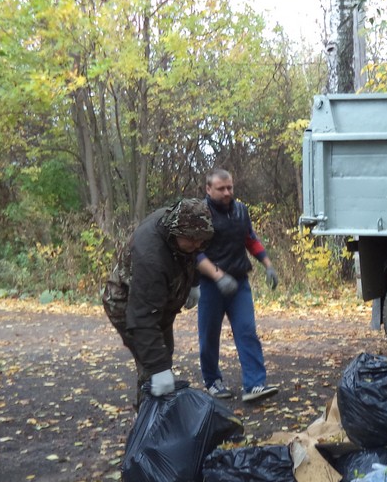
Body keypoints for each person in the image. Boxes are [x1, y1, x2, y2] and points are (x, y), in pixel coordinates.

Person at [102, 198, 215, 409]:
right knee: (152, 364)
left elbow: (194, 253)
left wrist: (193, 283)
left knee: (164, 353)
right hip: (126, 302)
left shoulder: (187, 228)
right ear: (176, 233)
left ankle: (158, 415)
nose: (197, 245)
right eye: (191, 241)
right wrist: (159, 369)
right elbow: (142, 318)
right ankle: (148, 426)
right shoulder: (151, 256)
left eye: (201, 241)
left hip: (161, 299)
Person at [196, 168, 280, 403]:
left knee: (246, 331)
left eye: (230, 187)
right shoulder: (200, 214)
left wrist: (268, 265)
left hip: (239, 282)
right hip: (211, 285)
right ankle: (213, 381)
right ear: (208, 189)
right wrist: (218, 276)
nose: (226, 192)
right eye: (221, 188)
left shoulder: (240, 210)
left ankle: (255, 385)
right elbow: (195, 253)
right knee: (209, 336)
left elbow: (250, 239)